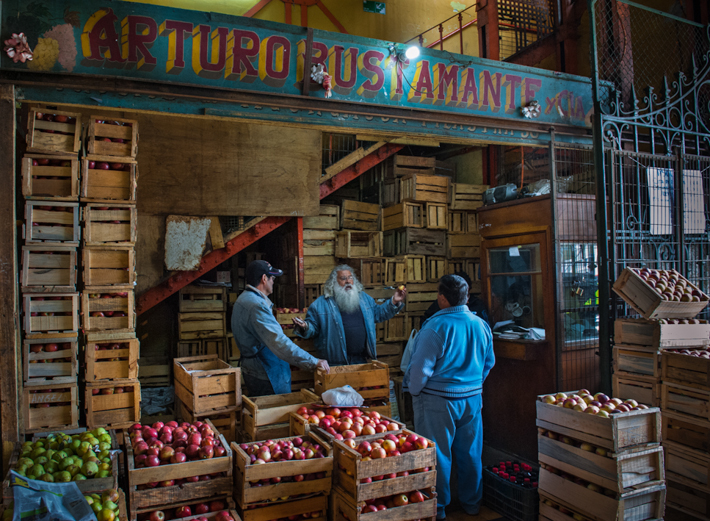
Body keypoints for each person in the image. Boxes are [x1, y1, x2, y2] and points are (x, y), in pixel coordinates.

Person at [404, 274, 495, 519]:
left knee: (438, 455)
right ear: (465, 297)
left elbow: (421, 369)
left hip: (437, 401)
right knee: (471, 453)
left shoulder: (435, 327)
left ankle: (439, 508)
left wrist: (414, 391)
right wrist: (474, 384)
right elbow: (489, 362)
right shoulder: (480, 324)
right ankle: (472, 504)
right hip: (472, 399)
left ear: (442, 298)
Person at [232, 260, 330, 396]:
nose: (273, 281)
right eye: (272, 278)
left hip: (254, 368)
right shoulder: (256, 305)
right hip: (266, 372)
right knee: (275, 413)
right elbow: (279, 342)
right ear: (264, 279)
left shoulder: (242, 299)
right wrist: (313, 362)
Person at [292, 265, 407, 365]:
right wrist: (305, 327)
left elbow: (378, 314)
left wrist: (394, 301)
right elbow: (313, 328)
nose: (348, 281)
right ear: (334, 283)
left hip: (360, 361)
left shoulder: (364, 299)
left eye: (350, 278)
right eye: (343, 278)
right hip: (334, 364)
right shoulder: (320, 304)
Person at [422, 271, 492, 326]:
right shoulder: (441, 303)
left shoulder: (477, 305)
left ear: (468, 289)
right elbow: (425, 321)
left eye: (462, 289)